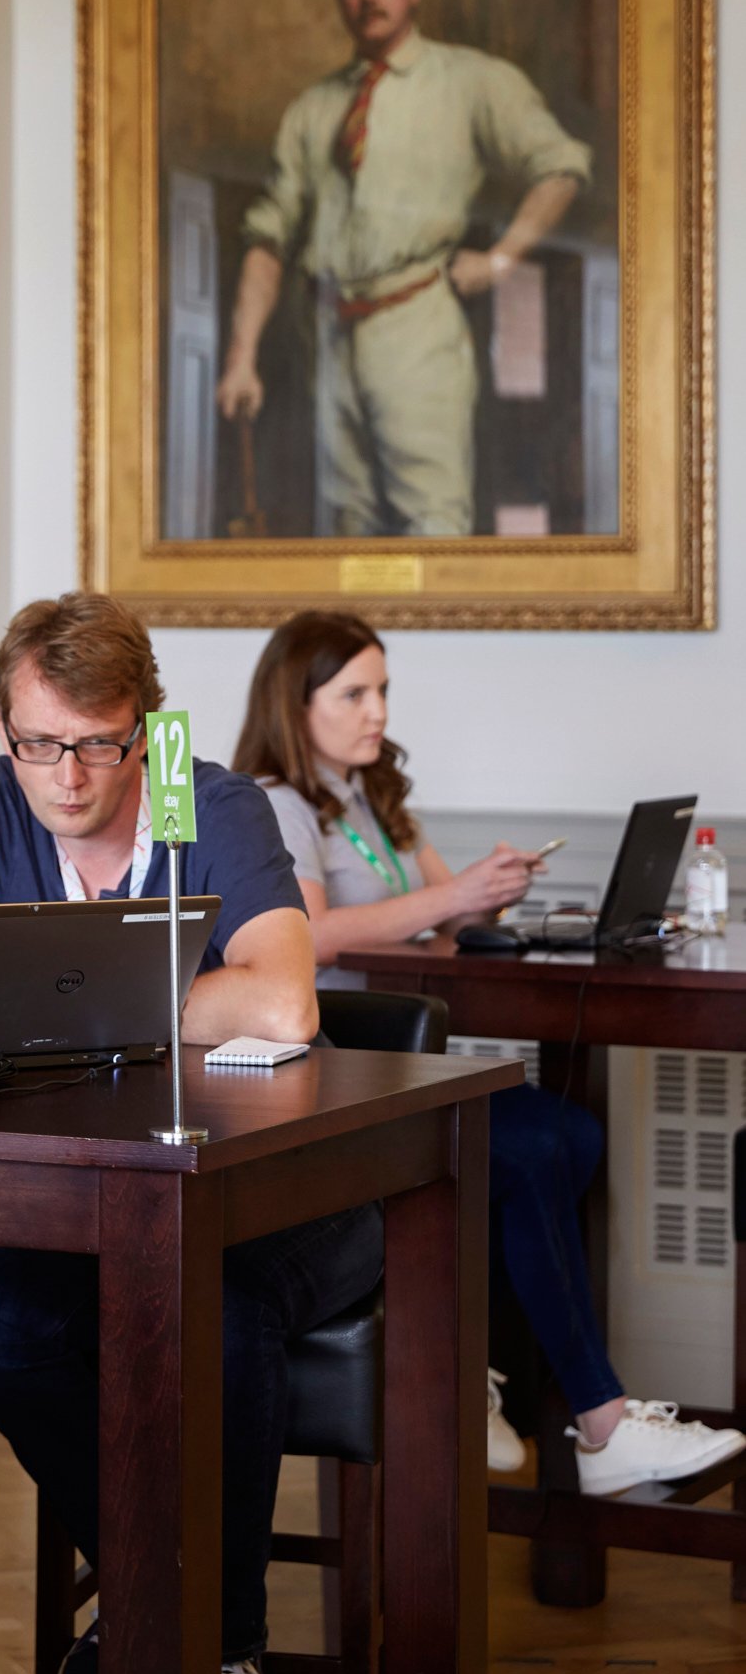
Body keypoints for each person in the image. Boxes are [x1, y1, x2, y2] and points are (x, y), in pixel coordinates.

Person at [0, 591, 383, 1674]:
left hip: (293, 1191)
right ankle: (154, 1584)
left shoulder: (202, 793)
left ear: (144, 726)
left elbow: (283, 1006)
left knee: (213, 1303)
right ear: (6, 729)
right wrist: (140, 994)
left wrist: (66, 997)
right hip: (114, 1200)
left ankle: (218, 1642)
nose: (68, 778)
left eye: (97, 745)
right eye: (40, 744)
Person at [232, 609, 746, 1496]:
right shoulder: (277, 802)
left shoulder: (372, 798)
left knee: (567, 1137)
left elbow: (442, 910)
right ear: (295, 701)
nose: (376, 712)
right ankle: (594, 1421)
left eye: (382, 691)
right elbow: (310, 937)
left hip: (407, 1071)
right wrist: (453, 898)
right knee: (539, 1145)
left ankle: (476, 1364)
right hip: (342, 1082)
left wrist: (486, 896)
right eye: (353, 693)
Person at [215, 0, 592, 537]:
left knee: (434, 520)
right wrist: (241, 357)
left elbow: (562, 167)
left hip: (416, 319)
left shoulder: (470, 80)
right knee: (344, 528)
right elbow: (268, 235)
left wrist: (500, 261)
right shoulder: (313, 108)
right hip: (328, 334)